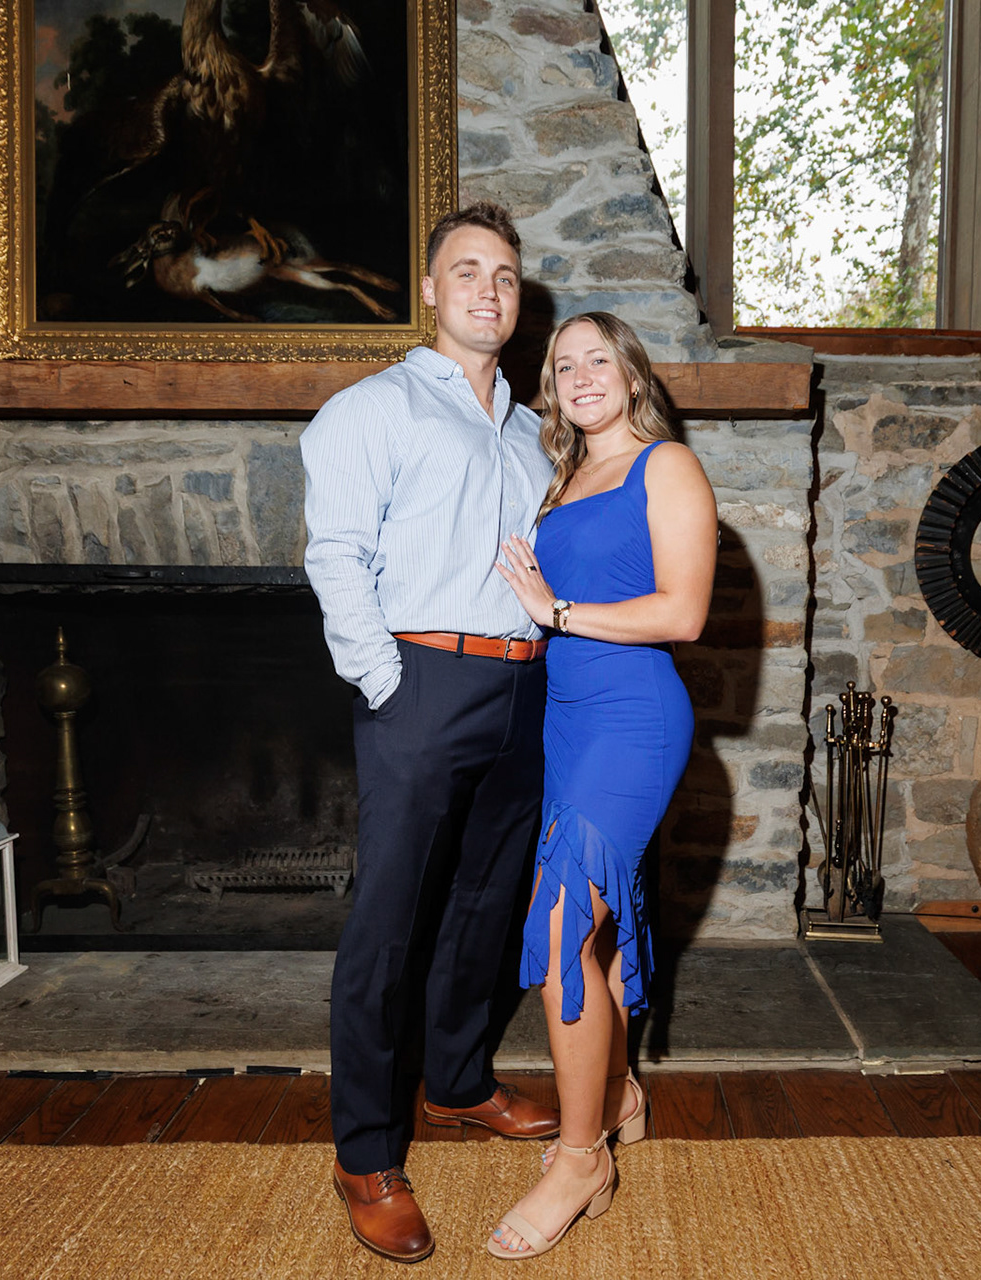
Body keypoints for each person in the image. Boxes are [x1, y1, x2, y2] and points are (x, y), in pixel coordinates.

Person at [300, 202, 562, 1265]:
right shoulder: (371, 409)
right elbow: (335, 554)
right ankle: (365, 1151)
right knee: (390, 922)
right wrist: (387, 682)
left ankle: (456, 1079)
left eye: (504, 276)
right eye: (467, 271)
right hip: (422, 680)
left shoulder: (534, 431)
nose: (488, 291)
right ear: (428, 290)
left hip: (523, 686)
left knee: (488, 902)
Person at [486, 311, 718, 1259]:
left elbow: (684, 613)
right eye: (564, 363)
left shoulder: (666, 466)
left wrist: (556, 609)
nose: (581, 375)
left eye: (598, 359)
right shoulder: (563, 475)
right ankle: (617, 1094)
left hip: (633, 718)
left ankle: (580, 1160)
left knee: (558, 928)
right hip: (567, 720)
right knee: (590, 928)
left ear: (630, 374)